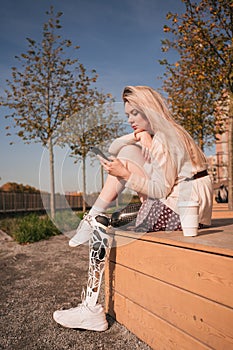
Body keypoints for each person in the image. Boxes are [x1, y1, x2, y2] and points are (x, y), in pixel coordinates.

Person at [53, 85, 213, 331]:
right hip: (187, 206)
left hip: (181, 210)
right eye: (128, 114)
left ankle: (91, 309)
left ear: (150, 110)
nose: (130, 119)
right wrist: (137, 137)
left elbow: (160, 190)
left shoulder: (164, 140)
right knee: (126, 153)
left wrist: (125, 173)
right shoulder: (167, 132)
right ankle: (93, 216)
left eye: (135, 113)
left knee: (101, 224)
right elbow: (116, 148)